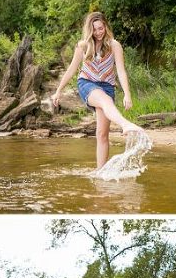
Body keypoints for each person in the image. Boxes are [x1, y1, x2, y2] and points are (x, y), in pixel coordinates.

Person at [52, 11, 148, 168]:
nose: (97, 32)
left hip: (107, 86)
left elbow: (121, 71)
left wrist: (127, 94)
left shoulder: (115, 45)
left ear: (106, 27)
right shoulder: (83, 46)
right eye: (94, 29)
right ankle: (125, 125)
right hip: (87, 84)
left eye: (100, 28)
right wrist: (58, 90)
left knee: (102, 134)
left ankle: (100, 172)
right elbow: (71, 70)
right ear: (90, 30)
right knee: (105, 100)